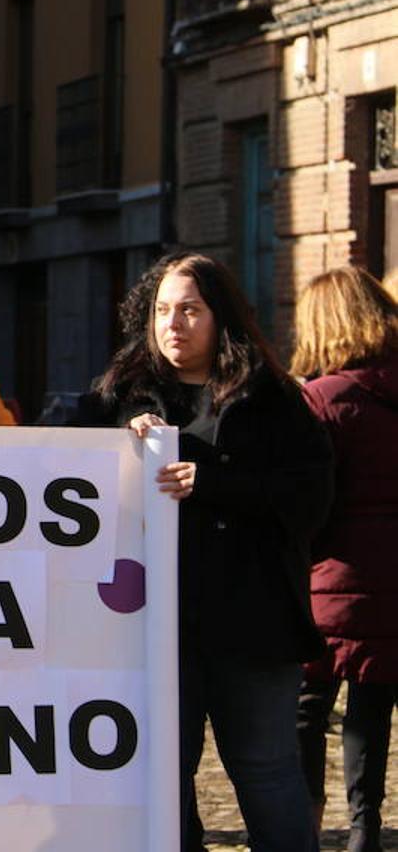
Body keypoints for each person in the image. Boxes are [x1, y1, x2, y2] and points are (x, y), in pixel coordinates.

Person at [83, 251, 333, 852]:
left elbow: (311, 501)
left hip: (254, 622)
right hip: (152, 628)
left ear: (221, 317)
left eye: (190, 310)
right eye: (164, 311)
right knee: (163, 777)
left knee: (267, 772)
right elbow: (72, 494)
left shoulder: (272, 400)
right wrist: (124, 441)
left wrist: (215, 483)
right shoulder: (121, 397)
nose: (174, 324)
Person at [292, 267, 398, 852]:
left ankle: (305, 820)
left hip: (332, 579)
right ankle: (366, 828)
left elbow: (311, 501)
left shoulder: (322, 399)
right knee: (372, 706)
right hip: (390, 579)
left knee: (307, 707)